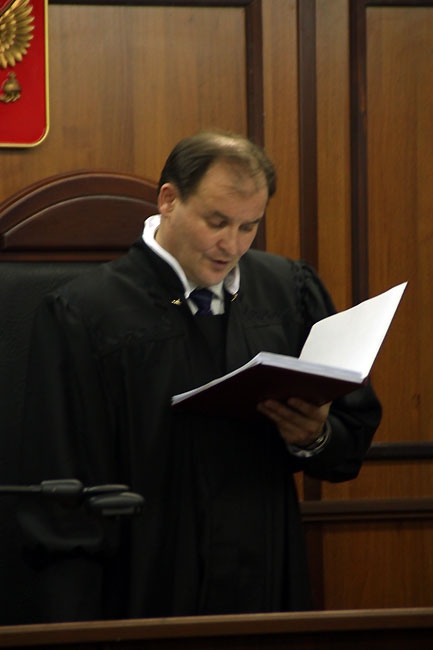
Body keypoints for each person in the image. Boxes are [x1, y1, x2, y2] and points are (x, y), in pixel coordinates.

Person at [18, 130, 382, 623]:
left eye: (249, 226)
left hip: (264, 573)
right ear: (169, 200)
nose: (231, 245)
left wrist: (314, 437)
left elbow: (349, 438)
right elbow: (62, 484)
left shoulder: (286, 291)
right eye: (217, 222)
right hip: (146, 579)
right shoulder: (84, 313)